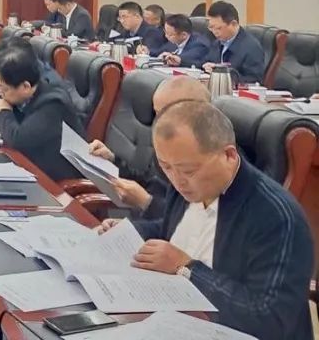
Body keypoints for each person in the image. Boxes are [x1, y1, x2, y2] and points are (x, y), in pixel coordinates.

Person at [100, 101, 313, 339]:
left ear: (229, 155)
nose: (177, 180)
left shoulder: (276, 217)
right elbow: (174, 231)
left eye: (188, 171)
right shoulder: (185, 184)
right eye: (166, 167)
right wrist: (129, 232)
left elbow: (268, 319)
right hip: (172, 315)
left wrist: (186, 268)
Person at [0, 42, 84, 181]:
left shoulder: (52, 103)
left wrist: (3, 113)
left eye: (2, 88)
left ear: (25, 86)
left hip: (53, 178)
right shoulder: (23, 92)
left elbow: (18, 139)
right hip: (27, 164)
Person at [89, 76, 210, 217]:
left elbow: (188, 222)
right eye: (156, 114)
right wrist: (113, 161)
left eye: (163, 115)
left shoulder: (209, 163)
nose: (157, 123)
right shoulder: (170, 143)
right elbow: (149, 179)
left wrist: (146, 202)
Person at [202, 0, 265, 84]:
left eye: (219, 28)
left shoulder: (252, 48)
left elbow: (254, 80)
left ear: (233, 24)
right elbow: (207, 62)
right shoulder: (216, 43)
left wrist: (224, 74)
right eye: (211, 27)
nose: (214, 32)